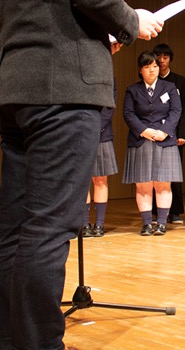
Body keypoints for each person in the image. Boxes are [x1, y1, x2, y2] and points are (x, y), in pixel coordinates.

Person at [0, 0, 163, 350]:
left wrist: (98, 30)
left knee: (13, 227)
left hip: (16, 91)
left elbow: (47, 2)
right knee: (48, 228)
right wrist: (131, 22)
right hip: (64, 93)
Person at [123, 51, 183, 236]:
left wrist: (164, 132)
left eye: (155, 66)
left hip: (164, 140)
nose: (152, 70)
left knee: (163, 183)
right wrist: (144, 131)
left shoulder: (170, 87)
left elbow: (176, 110)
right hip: (141, 140)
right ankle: (147, 223)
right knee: (143, 184)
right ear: (140, 70)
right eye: (147, 67)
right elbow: (128, 114)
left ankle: (162, 223)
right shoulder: (133, 90)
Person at [82, 42, 123, 238]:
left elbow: (110, 106)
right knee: (82, 181)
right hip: (81, 133)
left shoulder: (109, 77)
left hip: (102, 133)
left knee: (101, 179)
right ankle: (83, 223)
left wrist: (97, 126)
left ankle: (99, 223)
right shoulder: (80, 74)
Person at [152, 43, 185, 224]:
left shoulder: (180, 82)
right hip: (153, 134)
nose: (161, 61)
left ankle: (174, 211)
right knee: (155, 174)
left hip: (174, 135)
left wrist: (183, 133)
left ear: (170, 59)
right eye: (158, 57)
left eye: (165, 57)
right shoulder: (150, 81)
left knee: (173, 174)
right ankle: (157, 212)